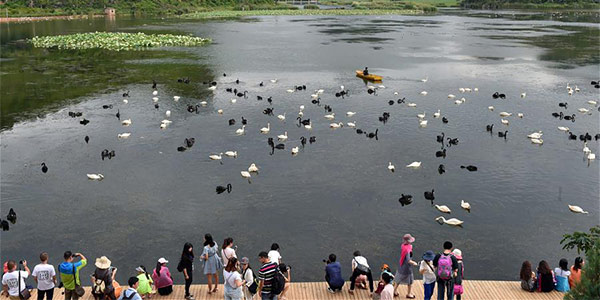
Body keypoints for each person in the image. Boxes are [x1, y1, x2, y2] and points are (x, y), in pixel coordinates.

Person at [394, 234, 418, 299]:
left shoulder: (403, 246)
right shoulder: (408, 250)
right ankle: (409, 294)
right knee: (410, 281)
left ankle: (394, 291)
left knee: (398, 278)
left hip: (401, 265)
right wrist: (414, 263)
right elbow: (408, 260)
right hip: (406, 268)